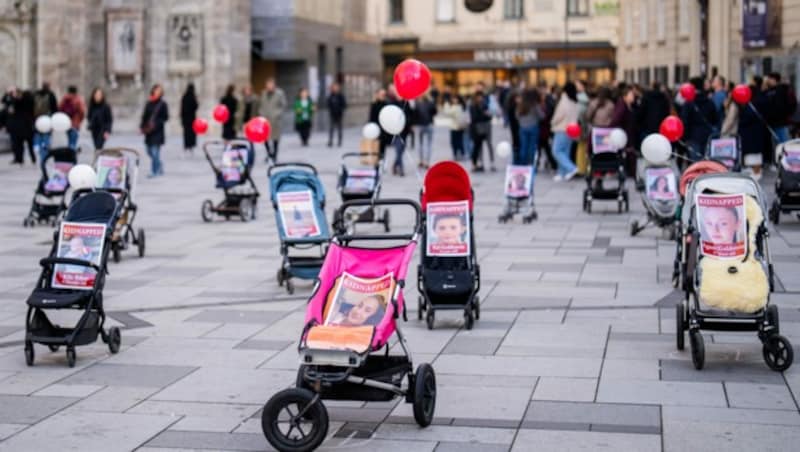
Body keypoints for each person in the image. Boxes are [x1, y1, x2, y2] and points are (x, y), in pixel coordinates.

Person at [680, 77, 718, 162]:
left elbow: (684, 121)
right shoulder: (709, 101)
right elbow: (715, 119)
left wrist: (684, 138)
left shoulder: (688, 103)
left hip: (693, 136)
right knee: (707, 162)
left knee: (695, 163)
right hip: (708, 135)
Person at [738, 78, 770, 180]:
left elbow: (746, 118)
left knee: (753, 153)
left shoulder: (751, 104)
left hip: (751, 133)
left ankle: (756, 172)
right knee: (755, 153)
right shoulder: (761, 100)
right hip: (757, 132)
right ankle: (756, 170)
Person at [549, 82, 580, 181]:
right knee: (565, 152)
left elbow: (559, 116)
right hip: (572, 129)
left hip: (562, 128)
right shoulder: (574, 101)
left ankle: (571, 168)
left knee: (556, 151)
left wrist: (552, 122)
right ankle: (562, 173)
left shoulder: (564, 101)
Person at [140, 84, 169, 177]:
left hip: (158, 131)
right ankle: (159, 165)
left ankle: (154, 171)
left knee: (155, 152)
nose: (157, 92)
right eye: (156, 90)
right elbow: (144, 116)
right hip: (149, 131)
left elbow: (166, 117)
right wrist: (142, 126)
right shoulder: (149, 103)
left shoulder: (163, 104)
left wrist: (157, 123)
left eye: (159, 91)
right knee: (148, 150)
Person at [610, 86, 640, 176]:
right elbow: (615, 120)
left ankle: (630, 172)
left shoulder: (629, 105)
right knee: (628, 153)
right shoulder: (622, 106)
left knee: (629, 153)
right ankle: (631, 172)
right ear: (625, 96)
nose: (633, 97)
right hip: (624, 135)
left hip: (629, 134)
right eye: (631, 95)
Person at [764, 72, 796, 146]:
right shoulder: (769, 91)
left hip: (781, 123)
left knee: (784, 144)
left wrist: (783, 116)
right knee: (777, 145)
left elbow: (781, 106)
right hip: (774, 123)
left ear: (774, 79)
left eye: (769, 79)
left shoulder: (781, 90)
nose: (768, 81)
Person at [259, 78, 287, 162]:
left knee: (275, 138)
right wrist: (261, 113)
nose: (269, 86)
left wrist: (277, 114)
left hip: (275, 120)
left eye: (271, 84)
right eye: (268, 84)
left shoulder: (279, 93)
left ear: (274, 85)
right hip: (265, 119)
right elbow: (261, 105)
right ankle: (269, 153)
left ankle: (274, 155)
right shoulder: (263, 93)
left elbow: (283, 105)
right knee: (264, 138)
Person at [5, 87, 36, 165]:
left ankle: (22, 159)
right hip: (25, 125)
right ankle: (30, 158)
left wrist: (9, 94)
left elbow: (9, 104)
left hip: (23, 125)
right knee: (27, 143)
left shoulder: (20, 101)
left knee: (22, 143)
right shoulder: (27, 100)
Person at [516, 88, 543, 167]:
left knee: (523, 146)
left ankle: (523, 164)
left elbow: (517, 116)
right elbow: (541, 116)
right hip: (533, 127)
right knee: (532, 146)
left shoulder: (521, 105)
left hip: (523, 127)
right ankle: (530, 164)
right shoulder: (534, 105)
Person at [32, 82, 58, 163]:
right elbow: (55, 108)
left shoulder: (36, 94)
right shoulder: (51, 94)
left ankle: (39, 149)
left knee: (38, 135)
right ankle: (45, 153)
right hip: (48, 119)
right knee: (46, 137)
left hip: (37, 119)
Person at [469, 91, 492, 172]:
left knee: (478, 146)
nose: (480, 98)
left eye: (481, 97)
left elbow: (489, 117)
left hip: (482, 129)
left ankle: (477, 164)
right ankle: (474, 164)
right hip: (475, 129)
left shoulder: (483, 105)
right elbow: (475, 118)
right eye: (479, 97)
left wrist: (485, 115)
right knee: (476, 147)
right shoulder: (473, 106)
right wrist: (484, 114)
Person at [59, 86, 86, 151]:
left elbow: (59, 109)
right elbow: (82, 111)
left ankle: (69, 156)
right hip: (75, 123)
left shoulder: (64, 99)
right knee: (73, 142)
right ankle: (72, 157)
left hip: (66, 123)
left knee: (69, 141)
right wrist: (80, 120)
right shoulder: (78, 99)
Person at [441, 92, 466, 161]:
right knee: (459, 141)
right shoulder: (461, 106)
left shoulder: (456, 107)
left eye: (455, 99)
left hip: (455, 127)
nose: (454, 100)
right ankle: (461, 154)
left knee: (455, 142)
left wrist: (446, 104)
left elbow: (447, 112)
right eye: (453, 99)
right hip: (460, 127)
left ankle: (458, 155)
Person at [414, 93, 437, 168]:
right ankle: (426, 162)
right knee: (428, 144)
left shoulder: (417, 103)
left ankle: (422, 161)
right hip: (428, 124)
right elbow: (435, 112)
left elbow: (415, 114)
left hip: (421, 125)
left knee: (420, 144)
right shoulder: (430, 103)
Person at [368, 88, 390, 160]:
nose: (383, 96)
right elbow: (371, 118)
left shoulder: (387, 104)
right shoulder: (374, 104)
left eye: (384, 95)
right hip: (376, 130)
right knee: (376, 149)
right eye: (381, 94)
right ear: (377, 95)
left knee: (383, 150)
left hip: (384, 131)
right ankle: (377, 167)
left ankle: (381, 164)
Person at [326, 82, 347, 147]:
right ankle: (330, 141)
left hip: (339, 114)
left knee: (339, 128)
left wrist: (340, 109)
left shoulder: (341, 95)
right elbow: (328, 104)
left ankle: (339, 141)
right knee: (331, 128)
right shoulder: (330, 95)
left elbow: (344, 105)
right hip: (332, 114)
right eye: (334, 87)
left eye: (336, 87)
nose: (335, 89)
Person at [180, 83, 199, 154]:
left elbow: (182, 108)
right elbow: (196, 106)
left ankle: (186, 145)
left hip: (185, 118)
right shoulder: (193, 97)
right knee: (192, 133)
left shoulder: (184, 97)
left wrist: (181, 117)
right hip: (191, 118)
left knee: (186, 132)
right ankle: (191, 145)